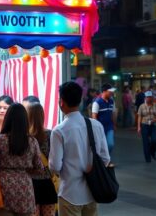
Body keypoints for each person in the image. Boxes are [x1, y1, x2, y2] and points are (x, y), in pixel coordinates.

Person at [49, 82, 110, 216]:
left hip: (69, 193)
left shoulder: (59, 131)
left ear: (61, 102)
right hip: (93, 191)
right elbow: (105, 158)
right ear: (81, 100)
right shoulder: (96, 125)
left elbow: (54, 166)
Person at [0, 103, 44, 216]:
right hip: (25, 189)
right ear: (25, 121)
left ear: (7, 119)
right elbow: (40, 168)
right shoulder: (32, 141)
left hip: (3, 189)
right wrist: (25, 172)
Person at [27, 102, 57, 216]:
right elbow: (54, 157)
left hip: (30, 182)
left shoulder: (25, 136)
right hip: (47, 182)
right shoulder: (50, 134)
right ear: (42, 116)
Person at [92, 83, 116, 160]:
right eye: (110, 91)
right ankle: (102, 161)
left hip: (109, 127)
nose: (112, 93)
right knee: (100, 146)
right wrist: (95, 129)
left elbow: (112, 114)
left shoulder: (112, 101)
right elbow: (94, 117)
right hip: (100, 128)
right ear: (104, 91)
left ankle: (105, 159)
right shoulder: (97, 102)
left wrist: (114, 124)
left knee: (110, 144)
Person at [137, 91, 156, 162]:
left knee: (155, 140)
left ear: (152, 98)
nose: (149, 99)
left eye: (150, 97)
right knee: (146, 142)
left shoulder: (155, 105)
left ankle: (152, 152)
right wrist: (139, 127)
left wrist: (155, 120)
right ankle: (148, 158)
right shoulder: (142, 106)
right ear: (145, 98)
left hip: (153, 125)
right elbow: (139, 116)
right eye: (147, 97)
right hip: (144, 125)